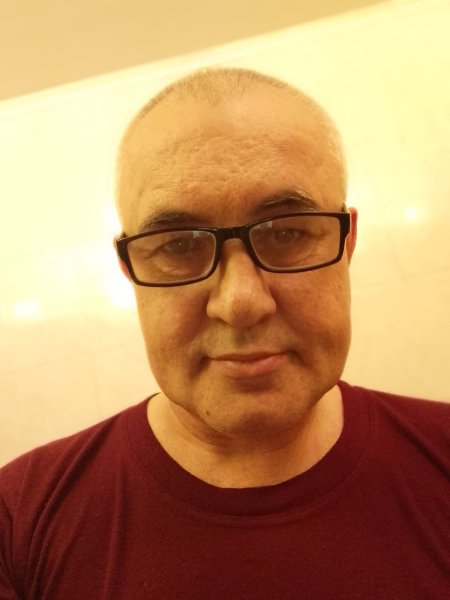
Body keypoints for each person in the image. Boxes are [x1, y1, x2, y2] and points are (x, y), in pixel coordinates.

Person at [0, 68, 448, 599]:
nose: (240, 302)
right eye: (178, 245)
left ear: (346, 245)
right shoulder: (18, 521)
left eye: (287, 234)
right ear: (130, 270)